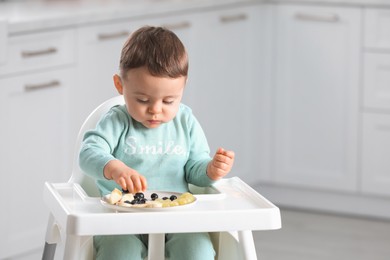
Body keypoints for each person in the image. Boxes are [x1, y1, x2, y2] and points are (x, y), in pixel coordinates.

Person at [79, 26, 235, 260]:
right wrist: (114, 167)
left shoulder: (186, 121)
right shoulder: (117, 121)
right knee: (120, 253)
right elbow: (88, 153)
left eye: (169, 100)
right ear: (120, 85)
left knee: (197, 251)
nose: (155, 109)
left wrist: (211, 170)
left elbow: (195, 171)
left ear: (183, 88)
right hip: (120, 218)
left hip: (176, 217)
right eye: (142, 99)